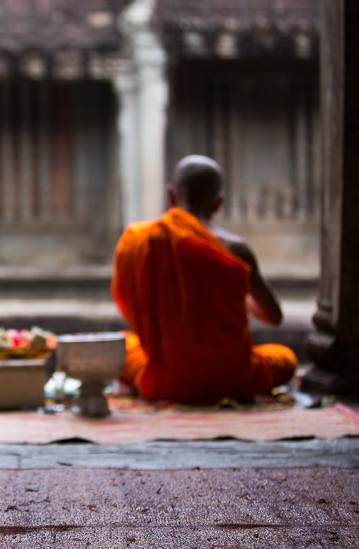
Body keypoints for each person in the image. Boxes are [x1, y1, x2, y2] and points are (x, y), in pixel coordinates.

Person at [111, 154, 297, 405]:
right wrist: (235, 296)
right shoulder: (237, 249)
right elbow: (273, 316)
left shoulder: (142, 240)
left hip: (163, 379)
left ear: (171, 196)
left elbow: (129, 305)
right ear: (218, 203)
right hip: (232, 379)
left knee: (120, 347)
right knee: (284, 359)